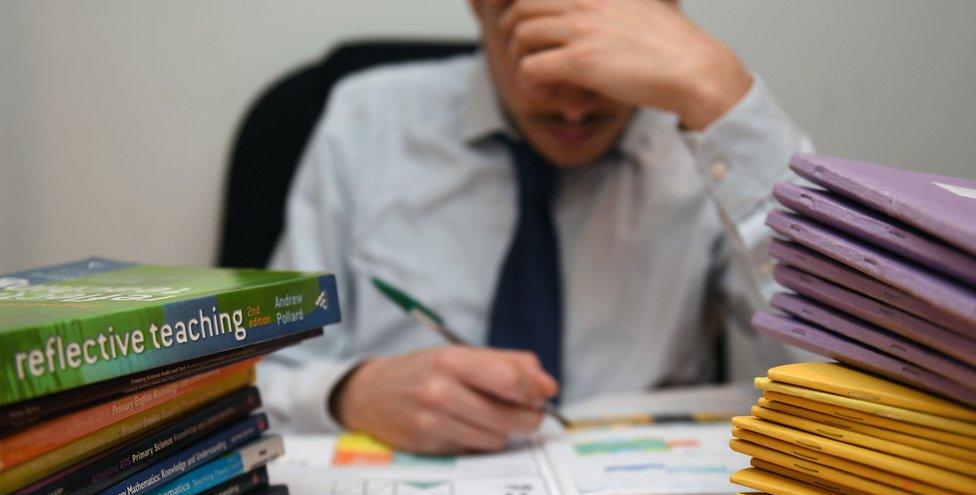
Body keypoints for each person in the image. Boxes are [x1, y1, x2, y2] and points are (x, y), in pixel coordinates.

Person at [257, 0, 811, 454]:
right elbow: (252, 388)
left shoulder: (712, 146)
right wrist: (348, 395)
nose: (574, 106)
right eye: (536, 42)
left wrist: (723, 98)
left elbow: (842, 387)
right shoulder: (365, 123)